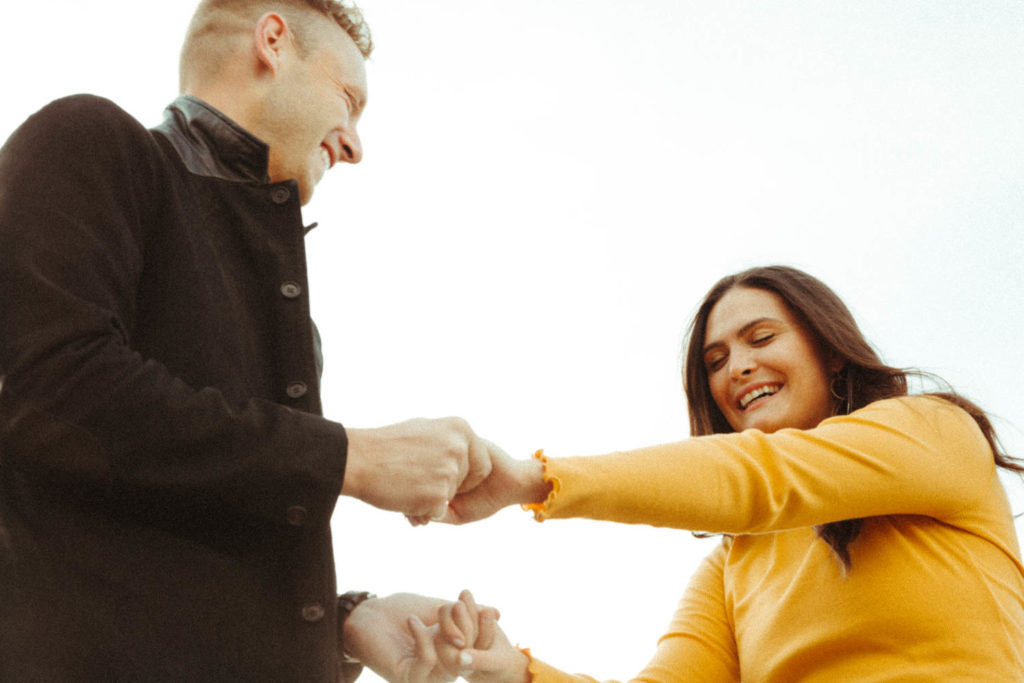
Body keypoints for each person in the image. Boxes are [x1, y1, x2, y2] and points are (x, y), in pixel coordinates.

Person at [0, 1, 504, 681]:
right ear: (272, 41)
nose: (355, 143)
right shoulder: (91, 139)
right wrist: (349, 458)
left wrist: (347, 621)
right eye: (349, 100)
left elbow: (187, 526)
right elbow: (52, 394)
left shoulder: (299, 328)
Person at [422, 265, 1024, 681]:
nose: (738, 367)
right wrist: (513, 672)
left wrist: (535, 479)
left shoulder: (931, 431)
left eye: (761, 337)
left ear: (831, 350)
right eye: (716, 361)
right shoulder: (734, 566)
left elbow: (764, 477)